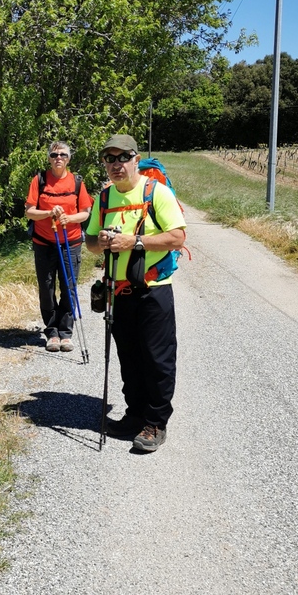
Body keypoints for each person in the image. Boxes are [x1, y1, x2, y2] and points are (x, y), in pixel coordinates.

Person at [85, 134, 186, 453]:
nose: (116, 164)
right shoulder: (103, 199)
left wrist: (134, 242)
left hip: (153, 291)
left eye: (122, 157)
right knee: (128, 358)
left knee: (157, 358)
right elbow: (88, 243)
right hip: (118, 292)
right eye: (109, 159)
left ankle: (156, 423)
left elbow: (177, 237)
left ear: (135, 159)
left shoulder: (157, 193)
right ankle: (134, 415)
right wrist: (99, 242)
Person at [25, 141, 93, 352]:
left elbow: (85, 212)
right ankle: (51, 331)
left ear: (68, 158)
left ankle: (65, 332)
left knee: (69, 288)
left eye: (62, 155)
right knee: (46, 288)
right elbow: (29, 211)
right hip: (44, 243)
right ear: (49, 158)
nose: (58, 158)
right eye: (54, 155)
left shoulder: (77, 182)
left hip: (70, 242)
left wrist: (69, 218)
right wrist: (48, 213)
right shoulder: (40, 180)